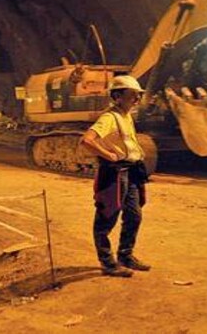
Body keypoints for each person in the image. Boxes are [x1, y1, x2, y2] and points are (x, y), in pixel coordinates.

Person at [80, 75, 152, 278]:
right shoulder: (109, 118)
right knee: (107, 217)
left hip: (130, 171)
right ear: (117, 96)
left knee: (134, 215)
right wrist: (108, 155)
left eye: (138, 95)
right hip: (114, 173)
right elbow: (87, 140)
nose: (137, 99)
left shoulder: (126, 116)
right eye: (132, 95)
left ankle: (125, 256)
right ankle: (107, 263)